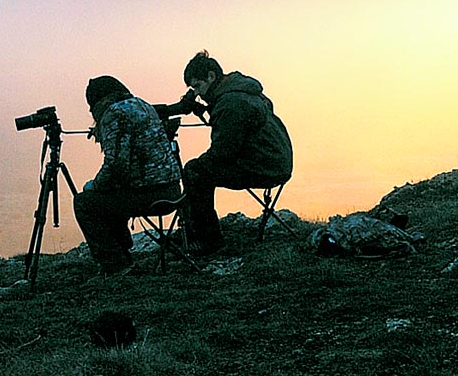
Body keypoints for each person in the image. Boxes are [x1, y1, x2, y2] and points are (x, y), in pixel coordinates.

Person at [178, 51, 293, 255]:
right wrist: (207, 110)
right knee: (199, 169)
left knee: (194, 172)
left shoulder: (230, 104)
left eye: (198, 86)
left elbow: (223, 152)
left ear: (211, 76)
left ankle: (209, 240)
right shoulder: (242, 90)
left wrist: (198, 164)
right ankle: (197, 232)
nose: (197, 92)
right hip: (275, 159)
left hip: (264, 166)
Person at [73, 76, 183, 275]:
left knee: (84, 203)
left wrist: (94, 186)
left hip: (151, 195)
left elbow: (116, 166)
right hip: (174, 191)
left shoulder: (113, 114)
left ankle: (117, 267)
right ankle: (122, 255)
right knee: (112, 194)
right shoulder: (143, 105)